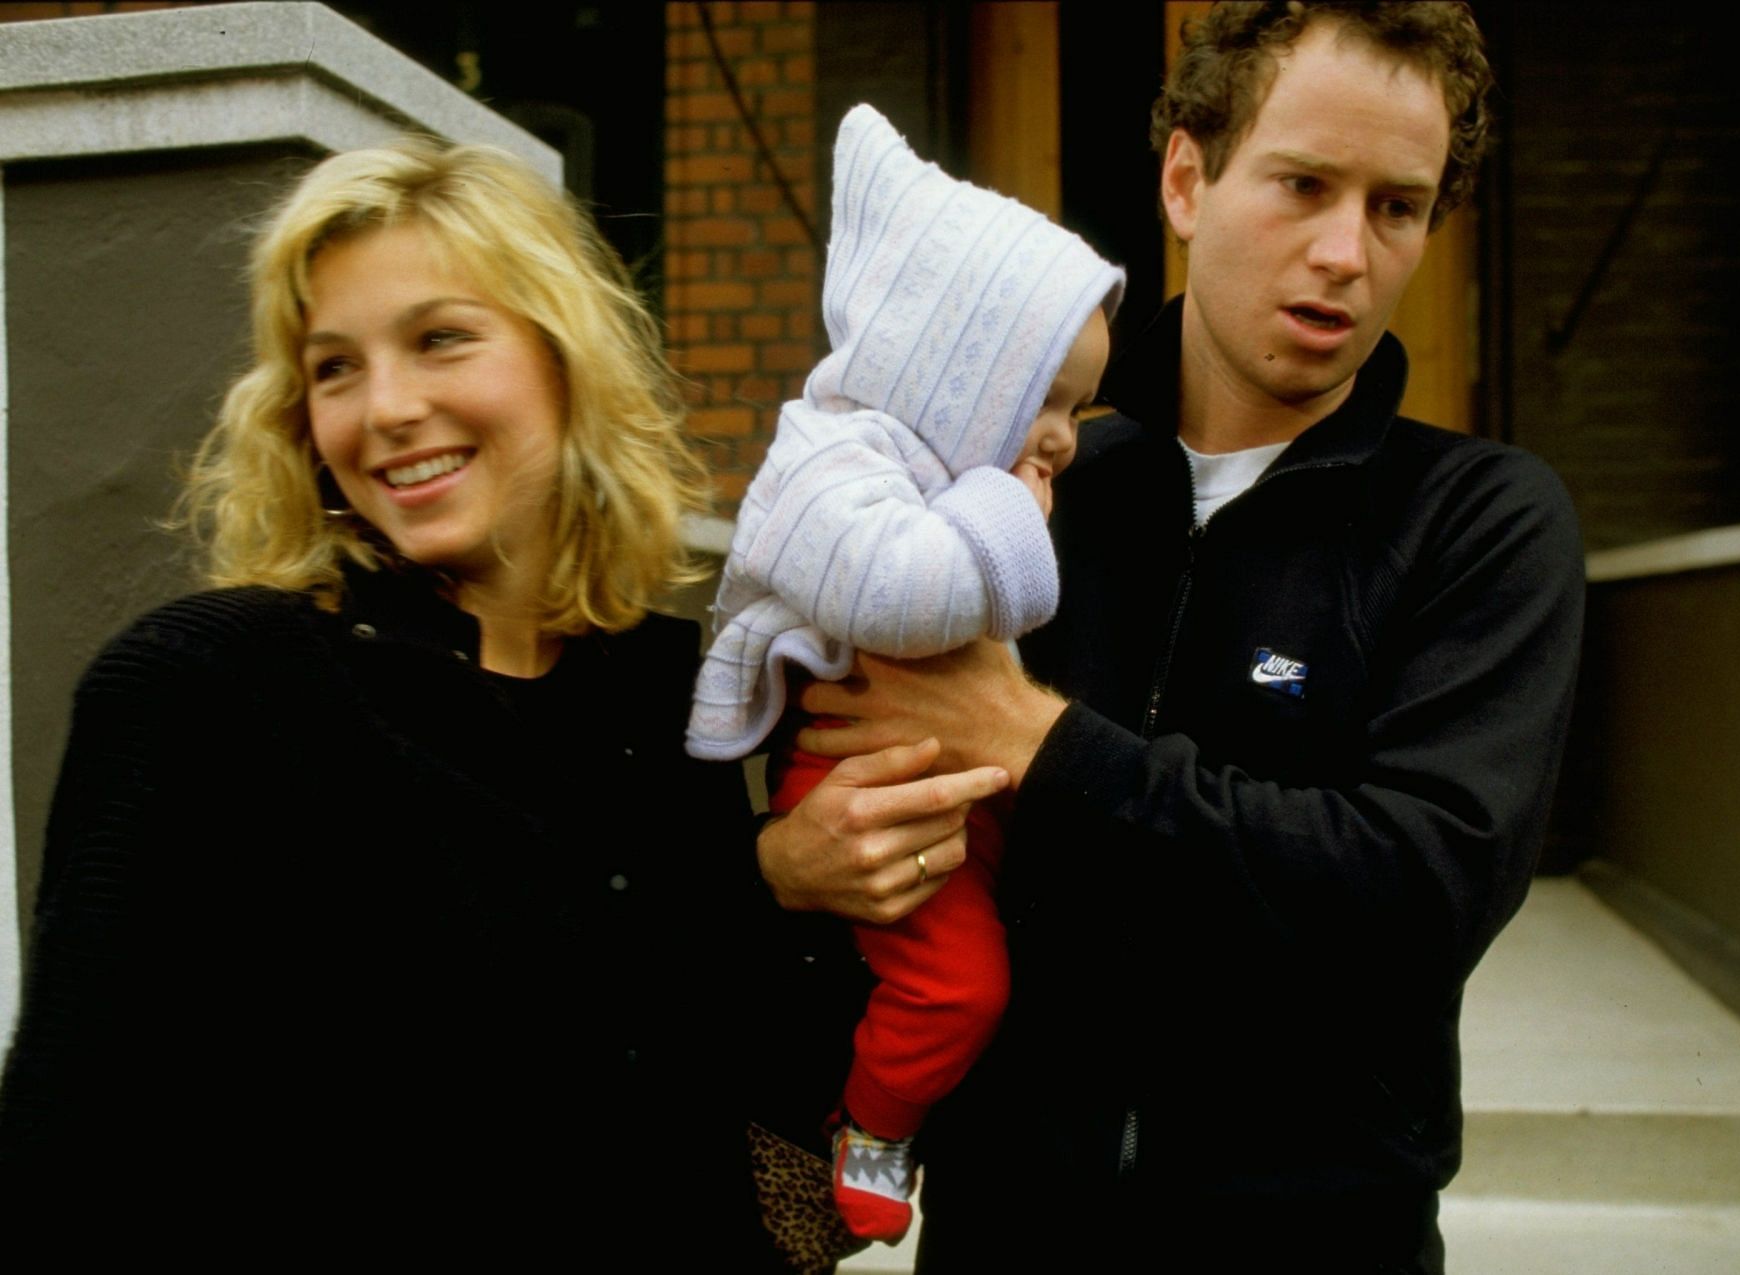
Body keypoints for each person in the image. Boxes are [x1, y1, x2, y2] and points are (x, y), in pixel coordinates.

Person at [757, 2, 1586, 1269]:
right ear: (1187, 178)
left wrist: (1038, 741)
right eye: (1303, 184)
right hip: (1004, 1235)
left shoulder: (1477, 521)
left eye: (1396, 208)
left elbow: (1413, 899)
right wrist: (790, 868)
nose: (1345, 253)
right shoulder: (1016, 493)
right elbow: (824, 756)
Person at [0, 138, 763, 1246]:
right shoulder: (207, 686)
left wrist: (791, 882)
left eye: (440, 339)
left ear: (564, 357)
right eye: (335, 368)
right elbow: (63, 1169)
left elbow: (726, 1079)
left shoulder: (659, 687)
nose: (388, 408)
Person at [688, 104, 1122, 1244]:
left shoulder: (923, 463)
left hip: (931, 773)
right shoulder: (833, 457)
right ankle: (872, 1127)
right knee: (960, 983)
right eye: (1049, 401)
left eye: (1081, 407)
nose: (1067, 438)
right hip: (855, 786)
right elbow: (893, 592)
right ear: (954, 374)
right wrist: (1003, 509)